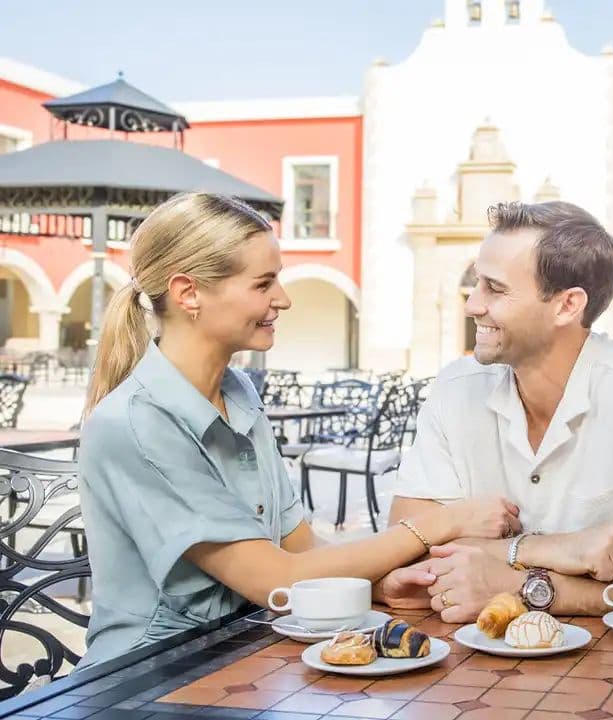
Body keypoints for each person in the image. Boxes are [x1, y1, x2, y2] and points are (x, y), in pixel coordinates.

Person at [77, 192, 519, 667]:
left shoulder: (237, 390)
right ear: (189, 294)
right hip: (149, 676)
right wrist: (441, 523)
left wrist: (375, 584)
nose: (282, 299)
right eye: (263, 283)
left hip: (243, 655)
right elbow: (278, 580)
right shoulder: (136, 423)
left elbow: (303, 550)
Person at [382, 201, 613, 621]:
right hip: (469, 664)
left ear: (567, 305)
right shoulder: (454, 390)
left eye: (494, 288)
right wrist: (552, 549)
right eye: (477, 284)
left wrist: (527, 586)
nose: (471, 304)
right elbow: (404, 556)